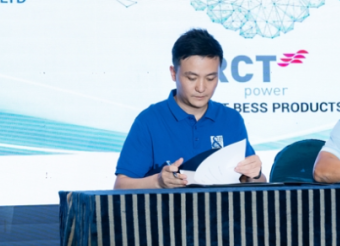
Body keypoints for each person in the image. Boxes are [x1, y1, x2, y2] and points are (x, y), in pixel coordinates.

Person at [114, 29, 266, 189]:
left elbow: (257, 182)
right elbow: (120, 186)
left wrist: (254, 175)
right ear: (173, 73)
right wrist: (158, 182)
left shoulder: (231, 119)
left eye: (210, 78)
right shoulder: (149, 121)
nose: (201, 88)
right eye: (192, 78)